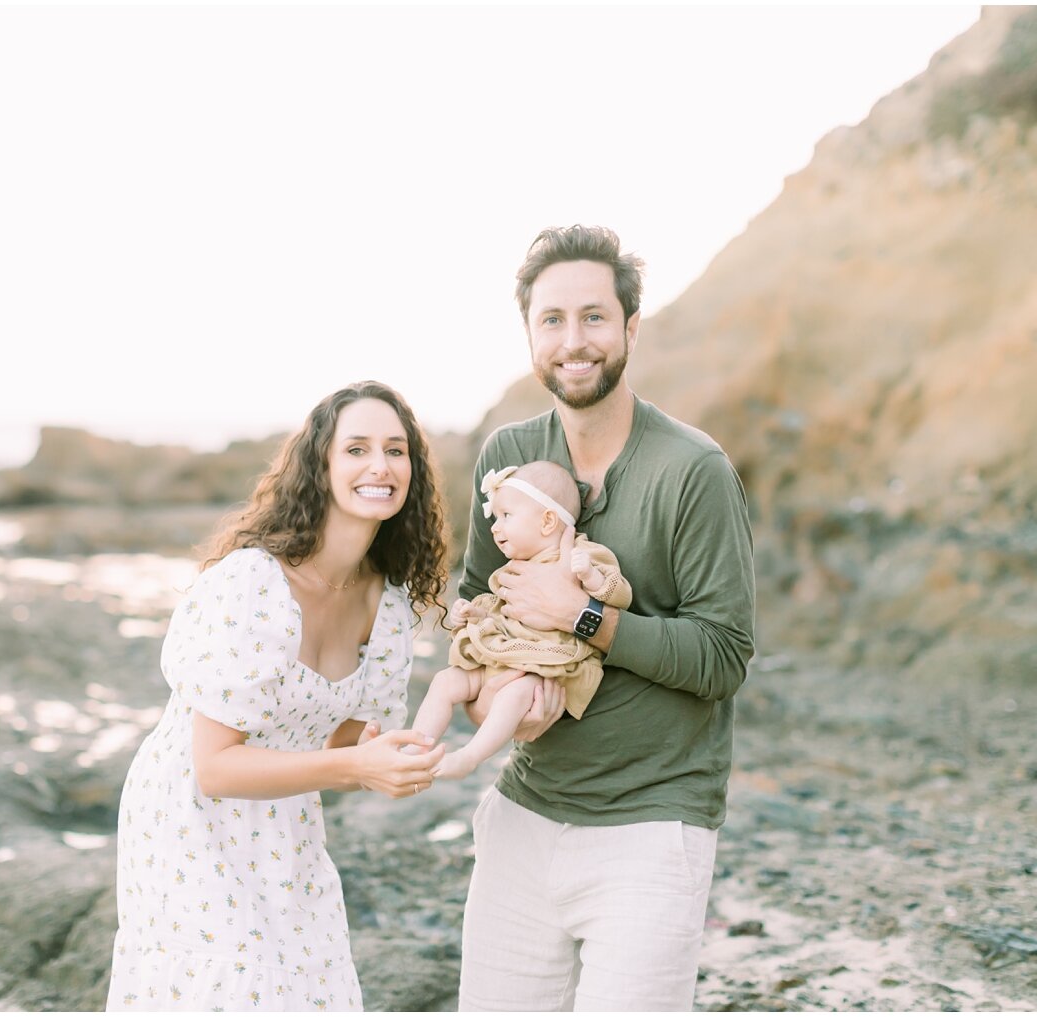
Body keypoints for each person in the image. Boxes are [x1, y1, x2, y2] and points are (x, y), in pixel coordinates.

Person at [451, 225, 756, 1011]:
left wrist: (585, 617)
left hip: (653, 827)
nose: (573, 339)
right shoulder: (507, 458)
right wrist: (489, 697)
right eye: (551, 319)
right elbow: (475, 607)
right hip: (522, 813)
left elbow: (722, 655)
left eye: (593, 316)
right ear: (529, 335)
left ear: (628, 327)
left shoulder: (694, 471)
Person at [106, 381, 450, 1012]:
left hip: (284, 818)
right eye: (357, 449)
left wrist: (393, 757)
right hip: (187, 816)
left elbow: (347, 750)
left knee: (305, 984)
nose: (380, 466)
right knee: (234, 983)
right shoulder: (254, 584)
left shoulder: (390, 606)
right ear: (321, 466)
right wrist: (355, 766)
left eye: (396, 451)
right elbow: (214, 767)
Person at [406, 460, 631, 780]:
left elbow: (621, 595)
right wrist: (474, 613)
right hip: (507, 657)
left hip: (545, 668)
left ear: (548, 521)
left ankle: (469, 757)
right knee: (446, 680)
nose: (495, 527)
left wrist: (591, 577)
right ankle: (416, 752)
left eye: (506, 516)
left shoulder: (580, 554)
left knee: (515, 695)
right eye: (495, 518)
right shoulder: (514, 566)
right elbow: (506, 611)